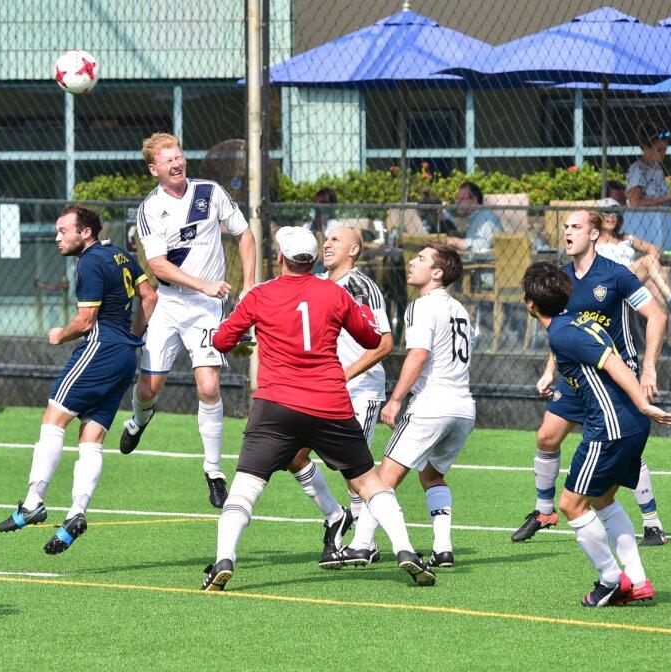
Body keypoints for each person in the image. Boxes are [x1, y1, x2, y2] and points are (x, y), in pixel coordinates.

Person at [201, 226, 435, 591]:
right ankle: (404, 549)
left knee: (246, 485)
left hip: (275, 405)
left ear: (281, 258)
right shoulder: (334, 292)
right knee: (369, 482)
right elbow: (372, 337)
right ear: (312, 260)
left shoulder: (261, 294)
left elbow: (221, 340)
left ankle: (224, 559)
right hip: (329, 402)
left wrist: (248, 331)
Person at [0, 204, 158, 556]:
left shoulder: (89, 262)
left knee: (53, 420)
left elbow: (86, 321)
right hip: (125, 356)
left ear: (85, 232)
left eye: (63, 231)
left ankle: (33, 502)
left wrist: (60, 335)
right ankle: (76, 513)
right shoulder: (121, 255)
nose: (57, 237)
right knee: (92, 437)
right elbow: (150, 296)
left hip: (99, 349)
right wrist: (132, 336)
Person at [521, 261, 671, 606]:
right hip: (629, 425)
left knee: (571, 505)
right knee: (603, 500)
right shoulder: (577, 322)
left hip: (611, 427)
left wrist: (643, 403)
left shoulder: (562, 333)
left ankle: (610, 580)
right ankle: (638, 580)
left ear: (530, 304)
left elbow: (614, 364)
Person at [512, 208, 670, 547]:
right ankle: (543, 512)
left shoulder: (617, 275)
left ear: (594, 234)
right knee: (546, 438)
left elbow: (657, 316)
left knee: (622, 448)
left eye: (576, 227)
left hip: (616, 372)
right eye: (565, 227)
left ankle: (652, 522)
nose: (568, 232)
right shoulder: (561, 281)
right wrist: (550, 370)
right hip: (578, 378)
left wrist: (648, 368)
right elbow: (563, 332)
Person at [120, 132, 256, 509]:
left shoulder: (210, 192)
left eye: (179, 156)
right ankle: (138, 421)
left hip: (206, 308)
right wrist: (203, 284)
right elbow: (158, 265)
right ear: (155, 170)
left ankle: (214, 471)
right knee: (148, 390)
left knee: (209, 387)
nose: (177, 163)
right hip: (169, 304)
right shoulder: (150, 208)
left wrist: (249, 285)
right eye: (168, 160)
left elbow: (245, 234)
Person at [321, 243, 474, 571]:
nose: (412, 262)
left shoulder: (422, 305)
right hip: (463, 409)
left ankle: (361, 545)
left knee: (381, 480)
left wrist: (395, 399)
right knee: (432, 476)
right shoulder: (460, 309)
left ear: (437, 273)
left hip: (431, 405)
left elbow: (418, 354)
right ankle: (443, 549)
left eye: (421, 259)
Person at [284, 225, 395, 559]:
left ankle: (365, 542)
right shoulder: (316, 283)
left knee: (355, 469)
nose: (327, 243)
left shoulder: (361, 286)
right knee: (293, 456)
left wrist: (343, 375)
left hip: (359, 389)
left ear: (354, 250)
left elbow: (384, 343)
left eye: (336, 239)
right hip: (320, 390)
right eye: (326, 239)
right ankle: (336, 515)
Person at [597, 198, 671, 309]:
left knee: (653, 285)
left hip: (631, 276)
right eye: (607, 212)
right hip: (610, 279)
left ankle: (665, 314)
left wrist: (654, 262)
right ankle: (670, 295)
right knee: (648, 261)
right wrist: (651, 262)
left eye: (615, 212)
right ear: (599, 216)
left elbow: (654, 248)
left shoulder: (625, 238)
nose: (611, 216)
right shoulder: (593, 240)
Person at [445, 181, 502, 253]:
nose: (457, 202)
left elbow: (485, 245)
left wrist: (456, 241)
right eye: (457, 198)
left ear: (474, 200)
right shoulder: (473, 217)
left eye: (461, 199)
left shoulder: (487, 218)